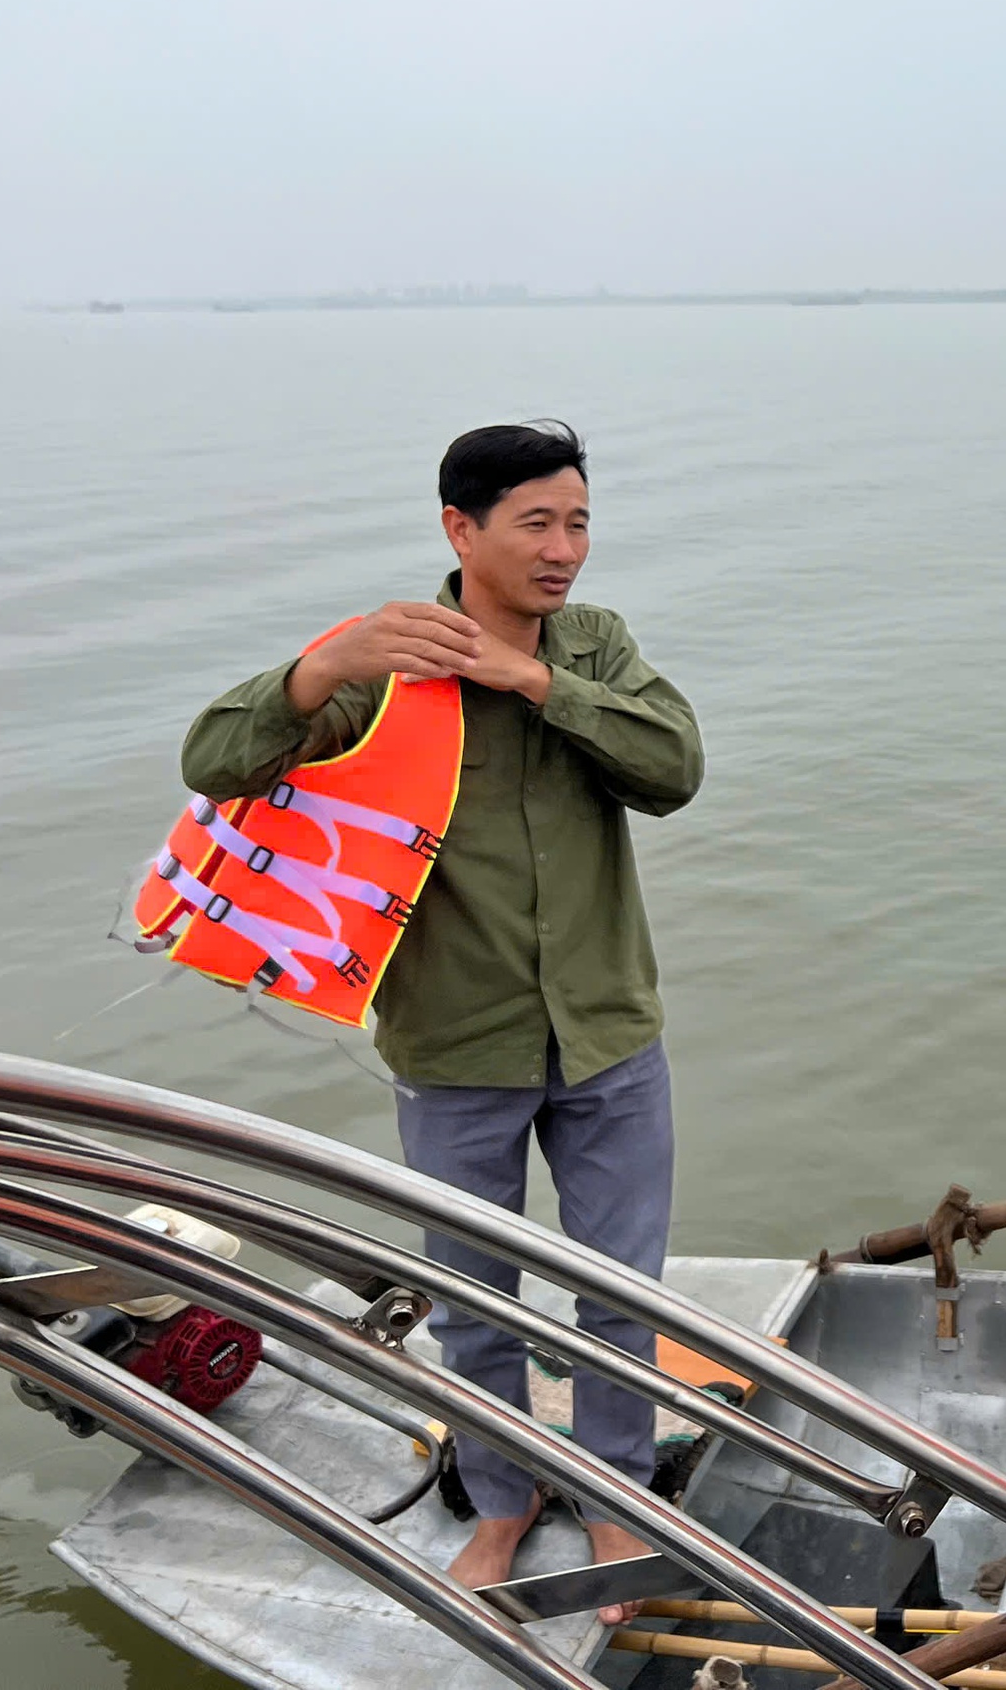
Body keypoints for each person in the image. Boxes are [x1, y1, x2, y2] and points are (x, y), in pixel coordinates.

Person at [179, 420, 704, 1619]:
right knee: (473, 1294)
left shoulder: (596, 645)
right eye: (536, 522)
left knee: (623, 1288)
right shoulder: (383, 663)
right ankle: (503, 1501)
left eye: (578, 521)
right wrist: (315, 676)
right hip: (455, 1046)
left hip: (610, 1033)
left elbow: (673, 768)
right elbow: (214, 760)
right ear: (459, 529)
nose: (563, 548)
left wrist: (539, 681)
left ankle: (614, 1491)